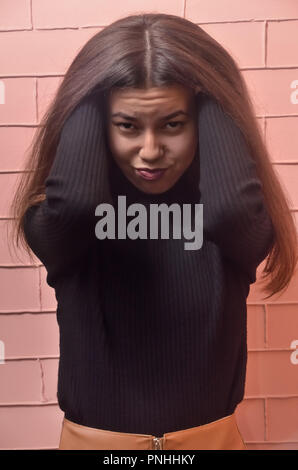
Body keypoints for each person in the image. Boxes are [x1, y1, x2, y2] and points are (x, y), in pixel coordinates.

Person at [9, 13, 297, 450]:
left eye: (173, 124)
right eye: (128, 125)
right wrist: (89, 92)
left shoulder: (235, 222)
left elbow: (232, 208)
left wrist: (214, 90)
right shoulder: (61, 227)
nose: (150, 151)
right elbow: (77, 204)